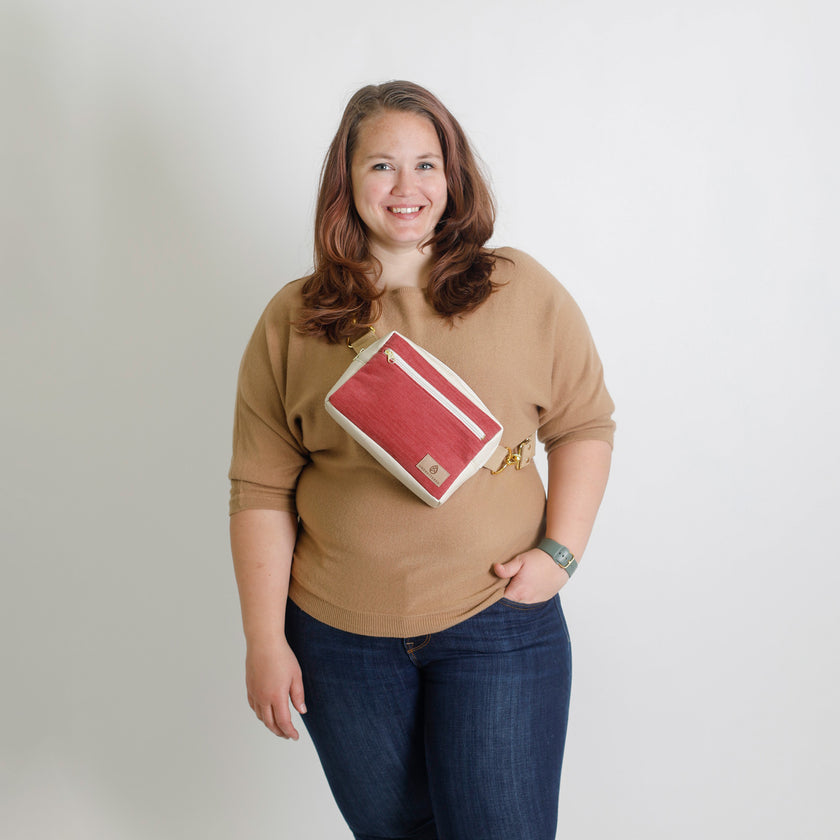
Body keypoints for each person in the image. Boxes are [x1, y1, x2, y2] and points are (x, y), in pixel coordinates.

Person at [229, 80, 614, 840]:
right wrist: (265, 642)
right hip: (339, 643)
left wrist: (559, 556)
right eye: (380, 166)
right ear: (347, 183)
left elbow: (584, 424)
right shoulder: (295, 318)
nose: (406, 188)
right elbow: (260, 490)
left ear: (454, 178)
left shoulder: (519, 288)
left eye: (426, 164)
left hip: (497, 620)